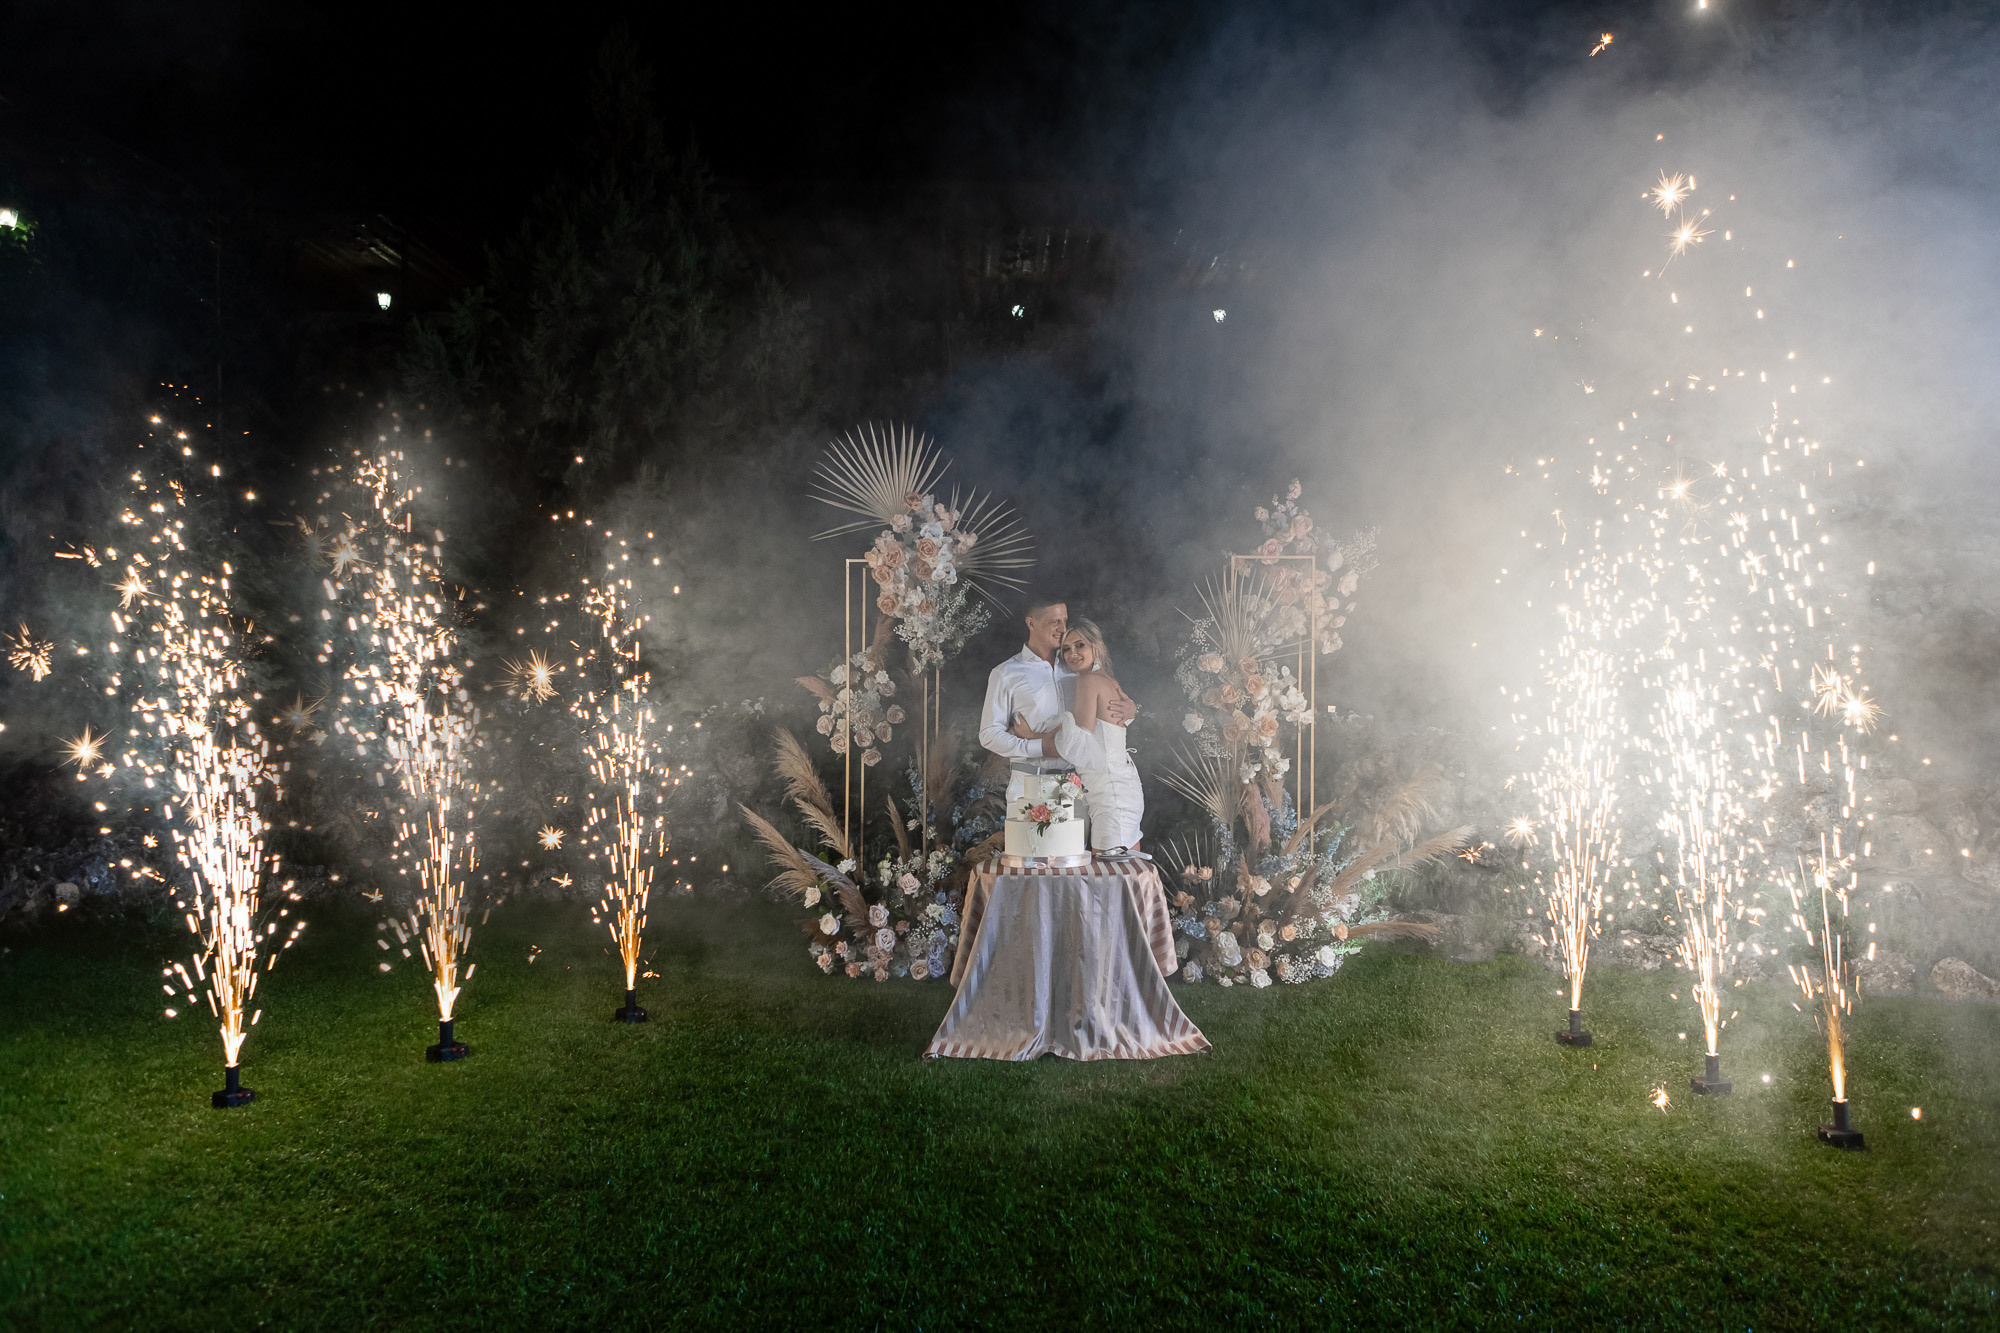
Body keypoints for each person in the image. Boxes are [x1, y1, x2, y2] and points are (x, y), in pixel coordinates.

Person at [979, 597, 1134, 805]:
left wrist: (1130, 711)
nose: (1063, 628)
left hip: (1078, 787)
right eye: (1055, 622)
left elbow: (1104, 710)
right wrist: (1039, 746)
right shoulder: (1006, 673)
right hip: (1028, 784)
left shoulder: (1077, 664)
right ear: (1031, 623)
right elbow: (988, 735)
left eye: (1065, 620)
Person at [1011, 618, 1144, 852]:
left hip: (1112, 795)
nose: (1072, 653)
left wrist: (1031, 737)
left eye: (1080, 645)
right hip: (1121, 788)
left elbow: (1079, 741)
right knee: (1127, 875)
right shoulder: (1106, 678)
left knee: (1110, 879)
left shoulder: (1089, 680)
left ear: (1096, 645)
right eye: (1066, 648)